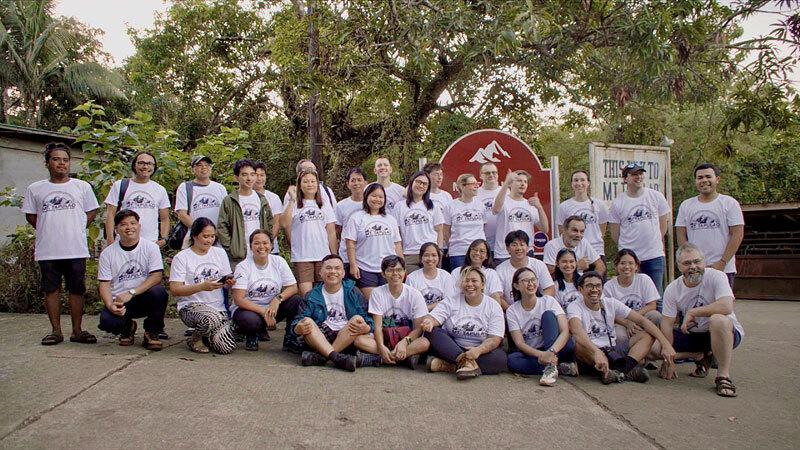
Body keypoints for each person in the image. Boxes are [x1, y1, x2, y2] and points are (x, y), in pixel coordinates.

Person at [23, 142, 100, 345]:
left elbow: (91, 211)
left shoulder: (82, 187)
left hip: (75, 248)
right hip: (48, 250)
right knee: (51, 290)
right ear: (48, 162)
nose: (61, 163)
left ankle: (77, 330)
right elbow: (31, 216)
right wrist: (49, 228)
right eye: (56, 159)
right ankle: (55, 331)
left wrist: (76, 226)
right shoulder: (35, 189)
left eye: (65, 160)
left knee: (77, 289)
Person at [657, 243, 745, 397]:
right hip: (694, 335)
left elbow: (727, 306)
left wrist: (694, 312)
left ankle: (723, 376)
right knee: (654, 348)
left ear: (704, 262)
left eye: (697, 261)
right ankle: (699, 355)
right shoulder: (673, 288)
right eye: (686, 263)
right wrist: (668, 359)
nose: (693, 267)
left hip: (723, 333)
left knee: (718, 320)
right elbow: (667, 324)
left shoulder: (717, 276)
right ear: (679, 267)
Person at [567, 271, 676, 384]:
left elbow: (642, 321)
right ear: (580, 289)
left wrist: (665, 344)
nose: (594, 289)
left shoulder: (610, 303)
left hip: (612, 349)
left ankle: (619, 372)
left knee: (647, 336)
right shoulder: (575, 306)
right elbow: (577, 330)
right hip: (591, 352)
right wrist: (596, 352)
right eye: (589, 286)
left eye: (598, 286)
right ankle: (624, 372)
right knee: (578, 345)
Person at [286, 255, 376, 372]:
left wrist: (366, 327)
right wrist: (298, 328)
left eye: (337, 268)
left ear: (343, 273)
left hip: (346, 336)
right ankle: (337, 358)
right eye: (328, 268)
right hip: (321, 337)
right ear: (321, 273)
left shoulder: (354, 292)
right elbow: (298, 321)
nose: (333, 271)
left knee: (357, 318)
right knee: (307, 321)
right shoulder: (311, 295)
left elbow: (368, 319)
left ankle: (324, 357)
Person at [97, 210, 167, 350]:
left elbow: (156, 277)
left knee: (159, 292)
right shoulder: (108, 254)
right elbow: (104, 284)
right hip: (121, 302)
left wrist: (132, 292)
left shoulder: (151, 248)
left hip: (143, 296)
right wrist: (111, 305)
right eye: (123, 225)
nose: (129, 227)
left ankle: (152, 332)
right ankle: (128, 327)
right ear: (116, 229)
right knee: (107, 322)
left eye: (133, 223)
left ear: (139, 226)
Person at [420, 267, 507, 379]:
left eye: (474, 281)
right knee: (432, 332)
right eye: (466, 281)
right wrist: (429, 321)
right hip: (452, 348)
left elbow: (495, 338)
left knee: (500, 358)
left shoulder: (493, 306)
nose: (469, 284)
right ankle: (465, 363)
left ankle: (450, 366)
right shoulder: (451, 301)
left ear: (483, 284)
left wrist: (478, 350)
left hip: (479, 350)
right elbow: (433, 317)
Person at [169, 218, 237, 354]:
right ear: (194, 236)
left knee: (226, 347)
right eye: (205, 236)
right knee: (210, 318)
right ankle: (195, 337)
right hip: (191, 306)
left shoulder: (219, 253)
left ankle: (208, 336)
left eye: (212, 236)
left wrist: (229, 283)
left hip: (218, 307)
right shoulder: (182, 257)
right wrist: (201, 287)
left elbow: (225, 280)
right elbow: (175, 289)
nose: (209, 240)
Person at [231, 229, 302, 351]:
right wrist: (264, 312)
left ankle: (290, 338)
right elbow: (239, 299)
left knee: (297, 301)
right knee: (250, 320)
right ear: (251, 246)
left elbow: (293, 287)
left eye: (265, 243)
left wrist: (277, 299)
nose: (261, 246)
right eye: (257, 243)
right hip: (249, 309)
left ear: (271, 245)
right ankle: (251, 334)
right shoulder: (243, 267)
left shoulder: (278, 261)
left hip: (272, 307)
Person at [675, 163, 744, 287]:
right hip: (694, 269)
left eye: (708, 176)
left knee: (722, 305)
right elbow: (681, 234)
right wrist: (690, 263)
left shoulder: (729, 203)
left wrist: (722, 263)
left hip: (723, 268)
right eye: (700, 178)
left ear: (717, 179)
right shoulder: (686, 205)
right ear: (695, 181)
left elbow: (737, 235)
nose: (704, 180)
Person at [506, 267, 577, 385]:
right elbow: (520, 343)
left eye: (533, 280)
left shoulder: (548, 301)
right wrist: (542, 355)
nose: (531, 283)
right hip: (535, 353)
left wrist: (551, 351)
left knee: (548, 316)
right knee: (512, 360)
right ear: (516, 286)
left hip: (557, 347)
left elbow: (565, 331)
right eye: (525, 280)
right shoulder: (512, 311)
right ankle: (560, 368)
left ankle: (550, 366)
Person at [609, 162, 670, 297]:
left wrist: (653, 243)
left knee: (656, 295)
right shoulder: (618, 203)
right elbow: (615, 233)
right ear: (626, 179)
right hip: (630, 259)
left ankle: (656, 319)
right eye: (634, 174)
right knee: (632, 295)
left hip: (654, 255)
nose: (638, 177)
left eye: (640, 174)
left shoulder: (656, 196)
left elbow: (663, 226)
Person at [358, 256, 431, 368]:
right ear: (383, 274)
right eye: (390, 270)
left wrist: (404, 342)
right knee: (359, 340)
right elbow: (378, 326)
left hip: (407, 338)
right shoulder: (377, 293)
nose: (395, 274)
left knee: (424, 343)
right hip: (385, 336)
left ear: (405, 272)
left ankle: (380, 359)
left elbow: (418, 328)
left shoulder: (415, 294)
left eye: (399, 270)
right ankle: (403, 358)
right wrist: (381, 346)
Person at [282, 169, 337, 296]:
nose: (310, 184)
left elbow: (331, 232)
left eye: (313, 181)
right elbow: (284, 224)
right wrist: (291, 199)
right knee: (307, 296)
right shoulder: (295, 204)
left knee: (324, 294)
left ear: (317, 184)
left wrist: (334, 255)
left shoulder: (323, 204)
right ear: (299, 185)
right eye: (305, 181)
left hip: (323, 256)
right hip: (303, 257)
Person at [343, 182, 403, 299]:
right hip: (365, 268)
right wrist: (353, 265)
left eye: (381, 197)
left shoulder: (390, 219)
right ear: (366, 197)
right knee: (373, 302)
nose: (377, 199)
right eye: (374, 196)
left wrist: (401, 265)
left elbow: (397, 244)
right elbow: (350, 243)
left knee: (389, 300)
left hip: (389, 268)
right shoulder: (357, 217)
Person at [104, 150, 170, 247]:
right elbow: (110, 214)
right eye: (141, 163)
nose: (145, 166)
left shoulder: (160, 190)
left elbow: (165, 218)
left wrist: (163, 240)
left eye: (150, 164)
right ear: (134, 165)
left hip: (150, 244)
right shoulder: (120, 186)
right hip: (122, 243)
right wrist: (110, 239)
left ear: (154, 167)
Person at [217, 159, 274, 270]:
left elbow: (270, 222)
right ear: (236, 177)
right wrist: (232, 247)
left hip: (259, 252)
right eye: (244, 174)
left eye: (252, 174)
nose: (249, 178)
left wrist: (267, 242)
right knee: (239, 285)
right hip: (238, 255)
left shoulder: (261, 199)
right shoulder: (229, 200)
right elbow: (222, 226)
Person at [603, 249, 662, 352]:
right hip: (621, 322)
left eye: (631, 263)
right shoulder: (609, 286)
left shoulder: (644, 279)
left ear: (636, 266)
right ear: (616, 266)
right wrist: (627, 322)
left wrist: (633, 318)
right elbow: (610, 313)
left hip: (642, 318)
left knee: (656, 315)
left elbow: (652, 305)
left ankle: (648, 349)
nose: (627, 267)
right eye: (622, 263)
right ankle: (629, 358)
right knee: (620, 336)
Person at [492, 170, 549, 264]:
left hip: (526, 252)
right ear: (511, 184)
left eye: (525, 182)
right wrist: (506, 183)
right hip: (504, 254)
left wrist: (539, 207)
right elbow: (496, 210)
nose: (522, 184)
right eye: (519, 181)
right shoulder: (503, 200)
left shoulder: (531, 204)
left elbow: (544, 229)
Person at [392, 171, 444, 272]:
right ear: (412, 182)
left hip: (431, 253)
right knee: (412, 285)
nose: (421, 186)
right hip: (410, 254)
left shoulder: (433, 206)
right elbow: (397, 234)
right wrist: (400, 255)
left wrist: (439, 251)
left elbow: (439, 230)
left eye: (425, 184)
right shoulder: (399, 206)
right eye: (418, 182)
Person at [174, 155, 228, 249]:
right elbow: (182, 215)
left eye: (207, 165)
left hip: (218, 240)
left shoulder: (220, 188)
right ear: (192, 169)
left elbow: (227, 214)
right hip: (194, 238)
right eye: (199, 165)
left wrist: (216, 234)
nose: (204, 167)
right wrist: (203, 232)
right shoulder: (185, 188)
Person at [557, 170, 608, 263]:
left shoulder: (599, 204)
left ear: (588, 183)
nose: (579, 183)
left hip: (597, 251)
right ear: (572, 184)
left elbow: (602, 229)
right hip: (574, 253)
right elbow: (562, 231)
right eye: (576, 180)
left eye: (582, 180)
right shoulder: (564, 206)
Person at [496, 230, 555, 307]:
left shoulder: (539, 265)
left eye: (522, 244)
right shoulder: (500, 270)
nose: (519, 248)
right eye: (514, 245)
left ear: (527, 247)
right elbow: (499, 297)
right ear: (507, 248)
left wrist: (539, 307)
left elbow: (550, 289)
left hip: (537, 309)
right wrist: (511, 311)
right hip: (512, 312)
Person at [442, 173, 486, 270]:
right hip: (459, 252)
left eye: (477, 183)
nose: (476, 186)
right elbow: (445, 231)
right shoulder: (450, 206)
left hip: (478, 252)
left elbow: (484, 227)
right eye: (473, 183)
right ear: (462, 186)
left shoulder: (480, 205)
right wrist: (452, 246)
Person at [450, 239, 505, 309]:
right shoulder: (457, 272)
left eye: (482, 251)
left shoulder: (491, 273)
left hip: (485, 310)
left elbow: (495, 296)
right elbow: (453, 296)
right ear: (469, 252)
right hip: (461, 310)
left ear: (486, 256)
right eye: (475, 250)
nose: (477, 253)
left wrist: (496, 313)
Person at [405, 242, 456, 311]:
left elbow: (449, 301)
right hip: (420, 316)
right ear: (421, 258)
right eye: (426, 255)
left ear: (439, 257)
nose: (430, 259)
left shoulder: (446, 276)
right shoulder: (411, 278)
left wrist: (427, 308)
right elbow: (411, 305)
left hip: (442, 314)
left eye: (434, 255)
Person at [253, 160, 285, 255]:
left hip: (270, 249)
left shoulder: (273, 198)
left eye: (262, 175)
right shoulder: (242, 197)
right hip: (249, 249)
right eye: (256, 175)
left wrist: (267, 242)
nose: (259, 178)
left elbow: (277, 222)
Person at [475, 162, 502, 256]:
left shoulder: (505, 192)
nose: (491, 175)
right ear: (480, 176)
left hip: (502, 245)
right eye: (487, 173)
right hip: (481, 246)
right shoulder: (475, 194)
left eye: (494, 172)